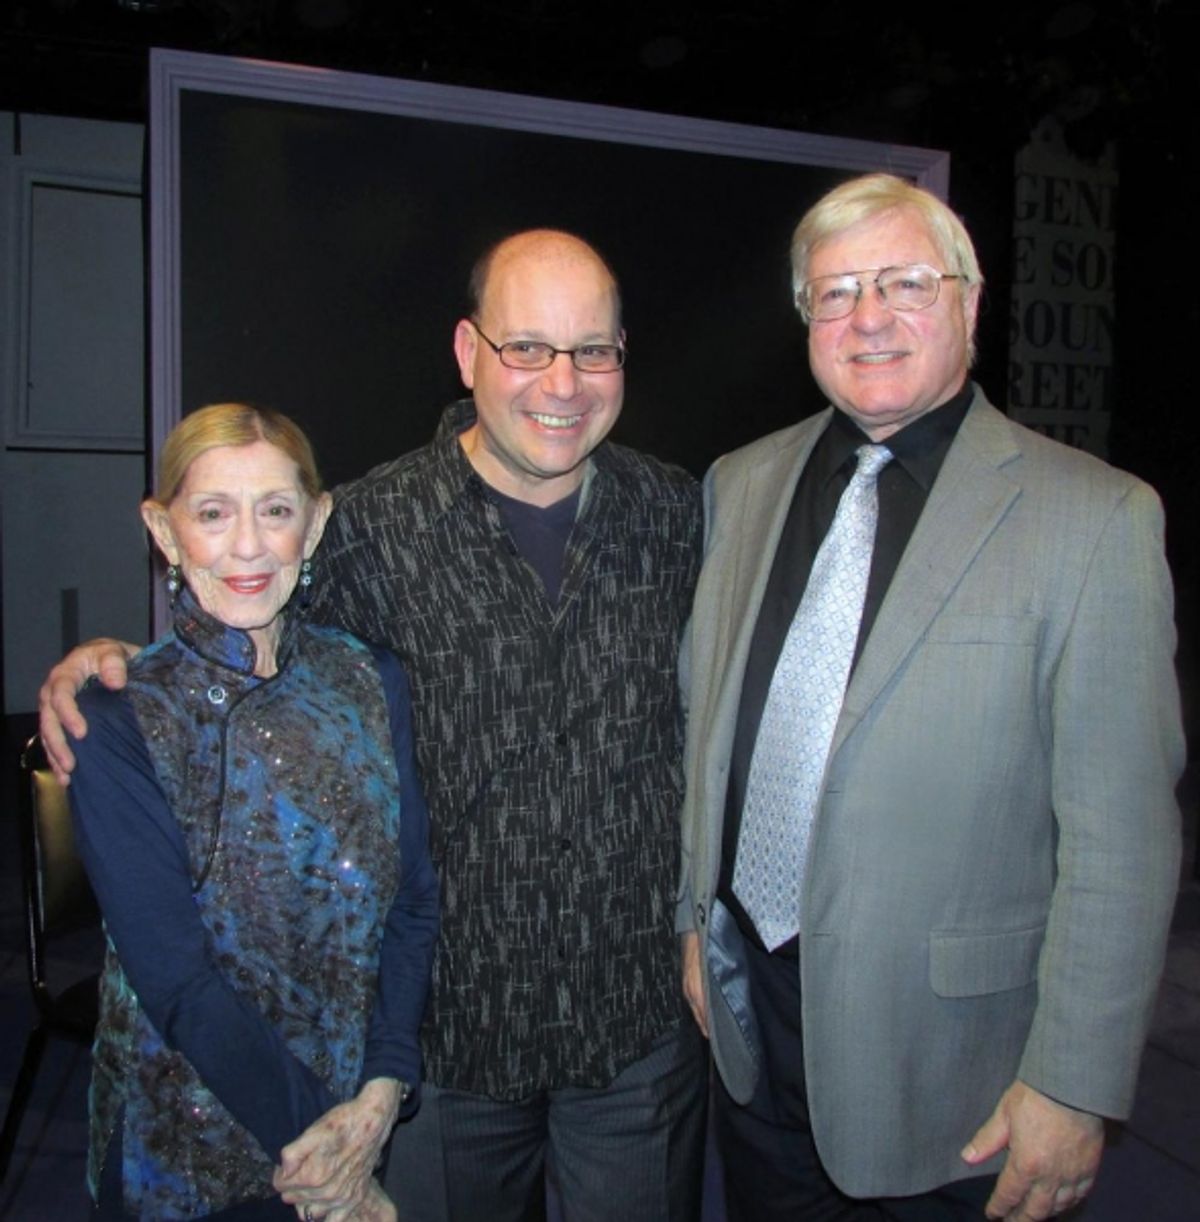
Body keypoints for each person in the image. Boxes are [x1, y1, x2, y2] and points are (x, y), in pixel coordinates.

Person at [42, 231, 707, 1222]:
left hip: (635, 1029)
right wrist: (103, 666)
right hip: (440, 1049)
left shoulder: (682, 514)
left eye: (593, 350)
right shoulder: (367, 524)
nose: (560, 383)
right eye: (526, 347)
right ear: (468, 351)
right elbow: (238, 626)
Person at [677, 174, 1184, 1221]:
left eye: (905, 281)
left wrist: (1074, 1083)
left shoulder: (1096, 520)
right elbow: (706, 729)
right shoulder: (740, 483)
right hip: (753, 1038)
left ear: (969, 300)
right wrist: (693, 916)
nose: (868, 316)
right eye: (836, 290)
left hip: (956, 1082)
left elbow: (1123, 840)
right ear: (806, 318)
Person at [64, 403, 439, 1220]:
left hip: (356, 1113)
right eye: (212, 513)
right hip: (191, 1151)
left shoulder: (370, 679)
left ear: (315, 524)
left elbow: (414, 903)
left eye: (275, 510)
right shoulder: (119, 721)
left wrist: (381, 1092)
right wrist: (336, 1163)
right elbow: (181, 984)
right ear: (164, 533)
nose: (246, 545)